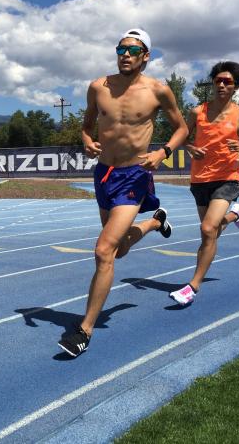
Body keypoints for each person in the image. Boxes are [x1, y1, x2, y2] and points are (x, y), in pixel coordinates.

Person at [58, 28, 189, 357]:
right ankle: (156, 223)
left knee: (104, 250)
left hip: (135, 175)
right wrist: (86, 141)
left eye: (133, 50)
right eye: (121, 49)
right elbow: (87, 125)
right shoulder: (98, 87)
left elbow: (182, 128)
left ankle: (84, 330)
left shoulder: (158, 91)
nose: (125, 54)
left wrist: (164, 152)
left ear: (146, 56)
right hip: (104, 174)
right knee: (118, 252)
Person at [169, 61, 239, 306]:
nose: (222, 84)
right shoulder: (196, 112)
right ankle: (234, 215)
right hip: (200, 178)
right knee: (211, 231)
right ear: (212, 83)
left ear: (236, 87)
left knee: (207, 230)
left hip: (228, 177)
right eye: (218, 80)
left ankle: (193, 286)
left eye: (227, 82)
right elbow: (181, 137)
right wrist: (190, 147)